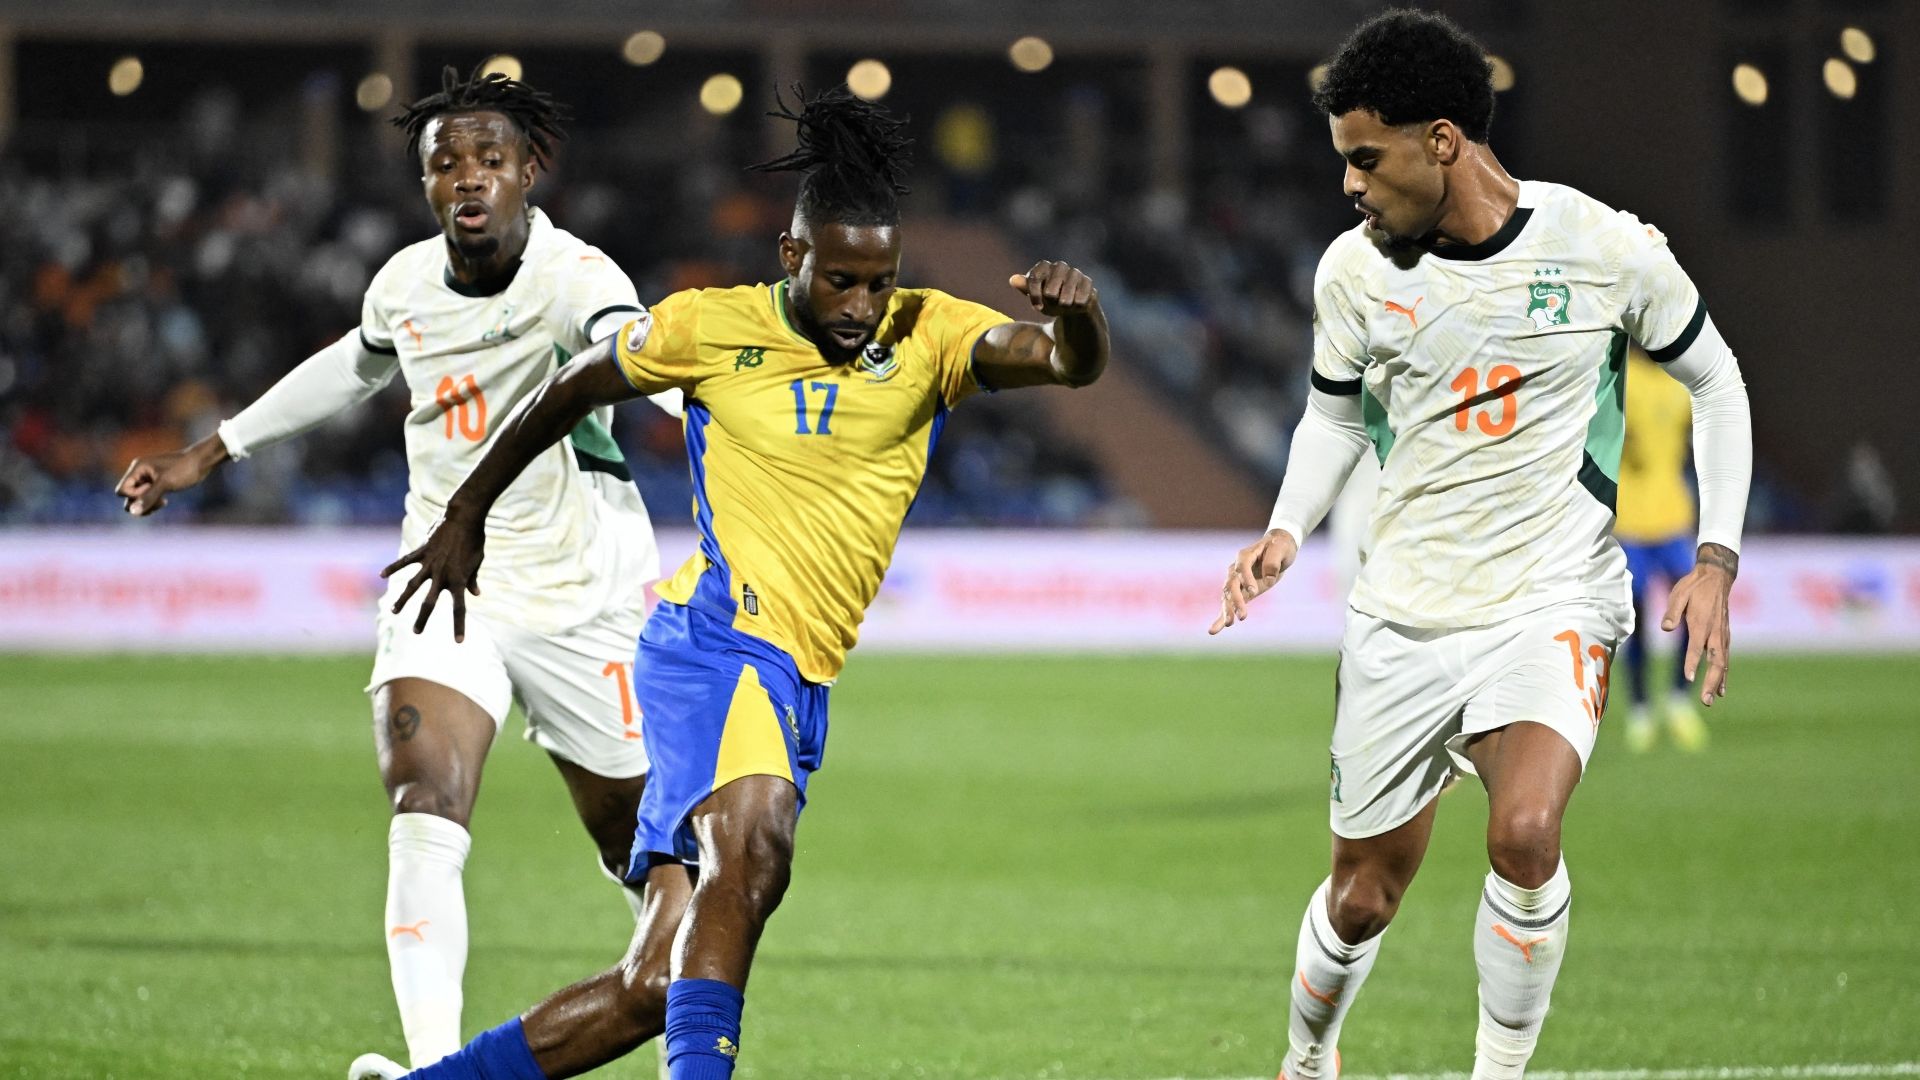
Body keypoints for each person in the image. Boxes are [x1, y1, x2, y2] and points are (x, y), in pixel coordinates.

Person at [349, 85, 1110, 1080]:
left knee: (657, 982)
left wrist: (1082, 317)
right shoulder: (710, 328)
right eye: (839, 280)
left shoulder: (927, 334)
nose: (859, 306)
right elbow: (568, 389)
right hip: (712, 645)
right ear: (793, 256)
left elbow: (1061, 362)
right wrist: (465, 514)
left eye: (878, 283)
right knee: (753, 849)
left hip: (796, 672)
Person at [112, 65, 688, 1071]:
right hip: (446, 579)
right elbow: (354, 362)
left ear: (529, 171)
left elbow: (634, 354)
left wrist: (712, 415)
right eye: (445, 163)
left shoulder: (578, 277)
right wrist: (211, 450)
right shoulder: (404, 284)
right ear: (426, 184)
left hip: (580, 594)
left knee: (633, 844)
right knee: (424, 800)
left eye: (490, 159)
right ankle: (430, 1068)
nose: (467, 178)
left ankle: (678, 974)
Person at [1208, 11, 1751, 1078]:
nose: (1351, 186)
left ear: (1442, 140)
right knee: (1363, 896)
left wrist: (1716, 561)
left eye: (1367, 158)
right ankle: (1306, 1060)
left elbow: (1715, 379)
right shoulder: (1353, 274)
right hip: (1402, 616)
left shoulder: (1602, 248)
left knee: (1526, 833)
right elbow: (1331, 417)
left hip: (1553, 595)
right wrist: (1286, 526)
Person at [1616, 346, 1709, 752]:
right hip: (1630, 520)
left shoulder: (1680, 383)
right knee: (1635, 619)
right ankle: (1639, 710)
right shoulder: (1620, 379)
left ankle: (1678, 701)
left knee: (1697, 608)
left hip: (1672, 515)